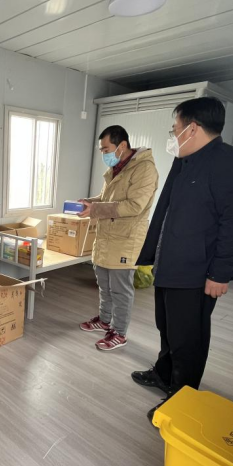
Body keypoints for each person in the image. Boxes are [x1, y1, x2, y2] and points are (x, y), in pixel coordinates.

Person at [132, 97, 233, 423]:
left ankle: (182, 399)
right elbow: (167, 212)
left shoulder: (230, 163)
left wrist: (220, 273)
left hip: (198, 272)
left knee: (189, 338)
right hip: (171, 264)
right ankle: (164, 374)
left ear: (193, 128)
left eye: (175, 128)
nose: (173, 134)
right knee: (167, 326)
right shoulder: (185, 160)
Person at [78, 125, 158, 351]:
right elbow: (106, 199)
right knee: (104, 285)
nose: (104, 154)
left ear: (122, 145)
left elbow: (134, 206)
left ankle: (119, 333)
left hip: (126, 239)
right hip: (106, 236)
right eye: (102, 150)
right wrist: (89, 202)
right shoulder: (117, 168)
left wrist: (95, 210)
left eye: (106, 149)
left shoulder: (144, 169)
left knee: (120, 290)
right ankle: (104, 321)